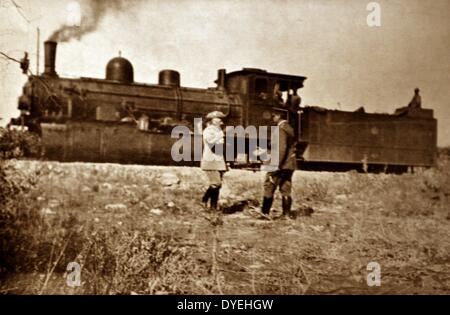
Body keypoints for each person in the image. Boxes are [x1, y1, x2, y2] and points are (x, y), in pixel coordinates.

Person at [261, 112, 297, 219]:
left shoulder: (280, 129)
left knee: (269, 186)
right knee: (285, 188)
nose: (272, 118)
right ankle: (286, 215)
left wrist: (275, 166)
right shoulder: (289, 128)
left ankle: (265, 214)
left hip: (279, 164)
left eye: (273, 116)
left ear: (278, 116)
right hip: (289, 164)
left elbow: (281, 149)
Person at [201, 111, 228, 210]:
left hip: (219, 161)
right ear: (212, 120)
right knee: (216, 183)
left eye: (221, 118)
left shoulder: (219, 130)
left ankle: (213, 207)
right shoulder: (208, 130)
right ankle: (204, 199)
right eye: (218, 118)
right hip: (210, 160)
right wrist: (221, 134)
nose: (220, 120)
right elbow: (211, 142)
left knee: (218, 186)